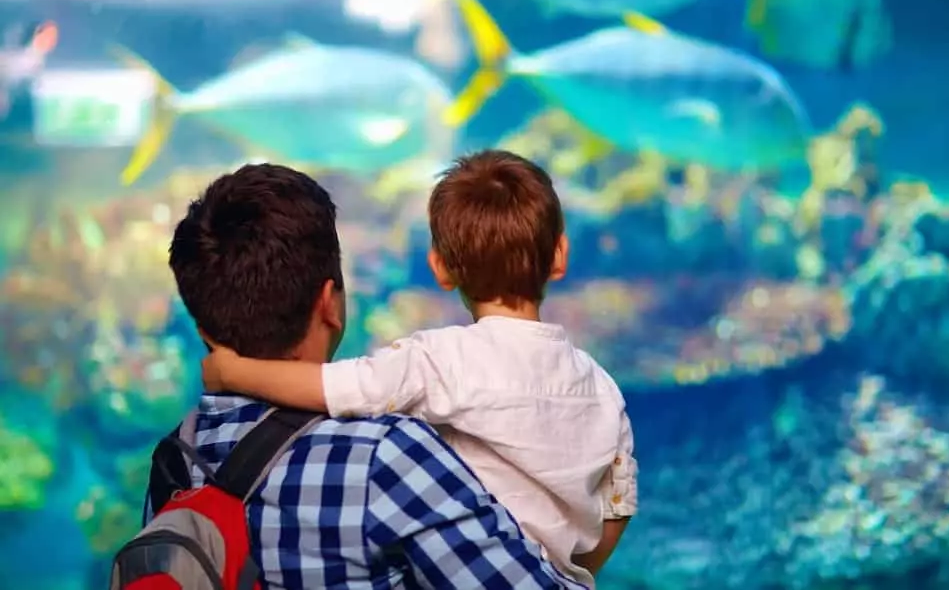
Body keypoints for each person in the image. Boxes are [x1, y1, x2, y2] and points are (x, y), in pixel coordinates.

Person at [202, 150, 639, 587]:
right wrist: (565, 572)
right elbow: (617, 507)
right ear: (559, 255)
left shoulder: (438, 359)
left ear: (441, 268)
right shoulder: (602, 387)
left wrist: (233, 372)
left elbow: (334, 388)